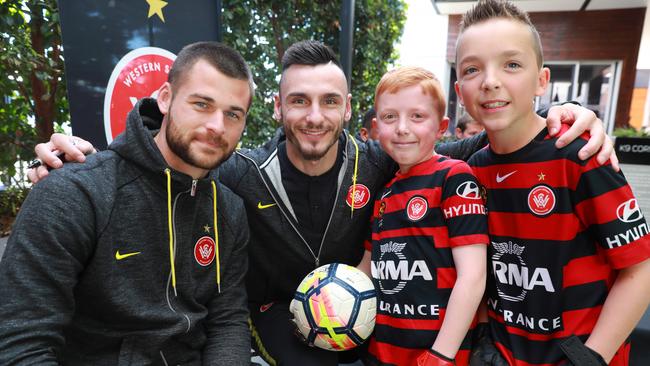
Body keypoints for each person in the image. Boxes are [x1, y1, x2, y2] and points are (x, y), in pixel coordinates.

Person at [29, 40, 615, 366]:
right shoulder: (238, 172)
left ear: (347, 109)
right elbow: (174, 155)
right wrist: (84, 155)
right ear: (278, 110)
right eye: (300, 101)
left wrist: (559, 119)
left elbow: (460, 146)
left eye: (329, 101)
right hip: (280, 334)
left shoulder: (381, 160)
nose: (315, 116)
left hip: (375, 339)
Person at [0, 42, 253, 365]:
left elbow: (227, 322)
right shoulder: (75, 193)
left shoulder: (229, 210)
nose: (218, 126)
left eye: (233, 114)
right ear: (165, 98)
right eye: (202, 104)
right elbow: (20, 345)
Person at [454, 1, 650, 365]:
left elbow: (640, 267)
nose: (490, 80)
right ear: (459, 89)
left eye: (511, 64)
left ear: (542, 81)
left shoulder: (580, 155)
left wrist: (592, 357)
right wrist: (483, 335)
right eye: (472, 69)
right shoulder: (468, 171)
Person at [357, 66, 488, 366]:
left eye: (417, 117)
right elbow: (366, 268)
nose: (402, 128)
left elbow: (473, 276)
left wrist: (441, 354)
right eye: (390, 117)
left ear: (441, 127)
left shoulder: (454, 177)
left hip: (438, 355)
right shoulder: (383, 193)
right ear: (377, 126)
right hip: (381, 353)